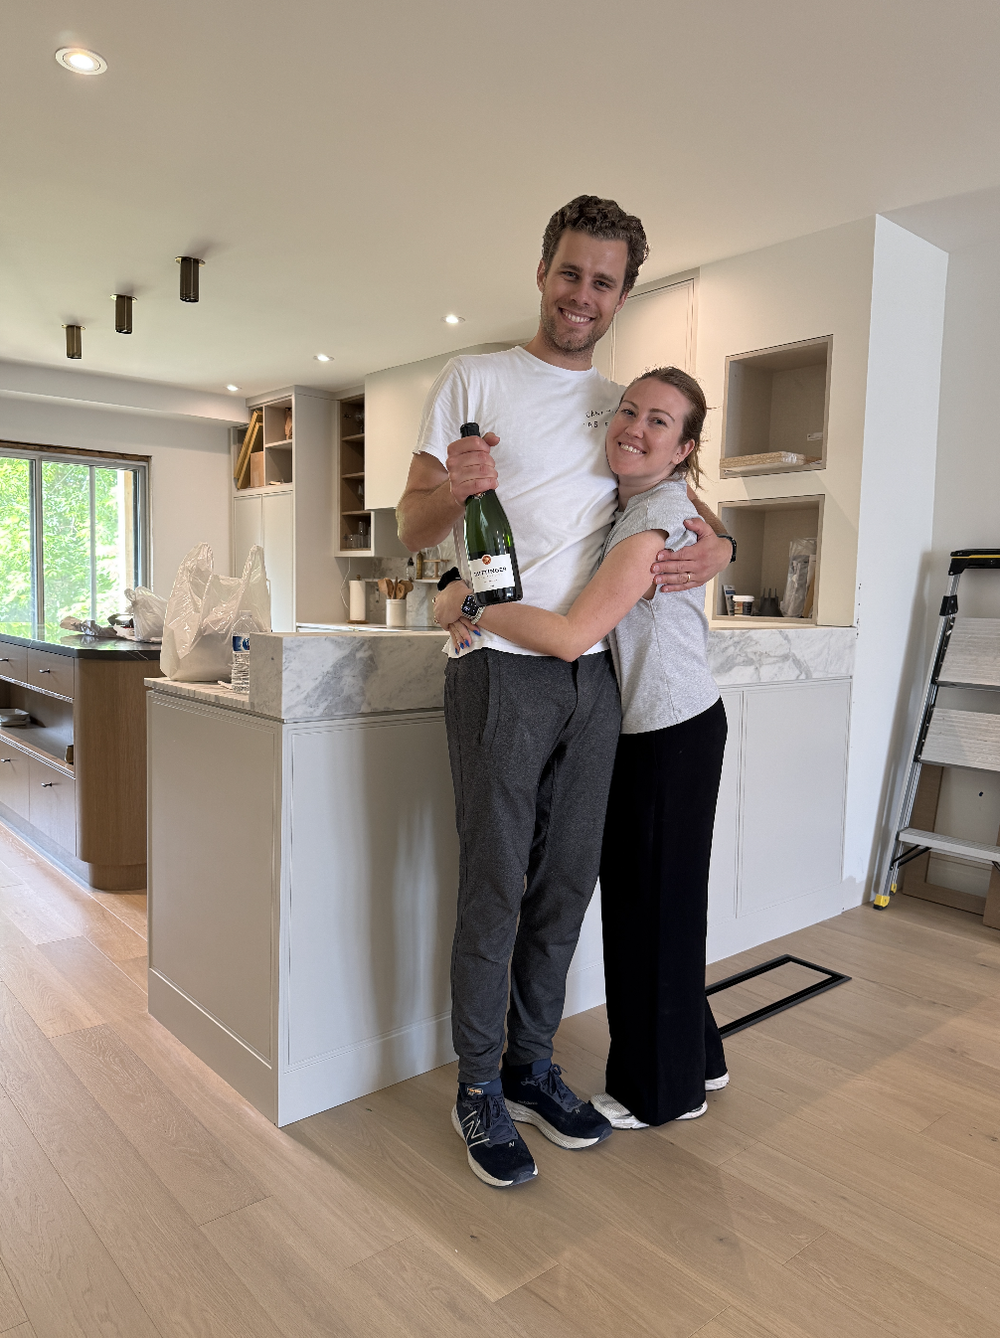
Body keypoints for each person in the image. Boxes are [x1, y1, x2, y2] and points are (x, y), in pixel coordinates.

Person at [396, 195, 733, 1188]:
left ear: (622, 296)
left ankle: (530, 1066)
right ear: (542, 271)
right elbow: (412, 529)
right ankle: (476, 1086)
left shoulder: (624, 405)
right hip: (498, 668)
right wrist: (453, 491)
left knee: (565, 887)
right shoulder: (473, 378)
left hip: (593, 677)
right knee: (496, 887)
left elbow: (691, 506)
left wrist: (721, 547)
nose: (582, 295)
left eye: (604, 282)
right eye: (570, 272)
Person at [435, 367, 729, 1131]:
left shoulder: (651, 513)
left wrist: (467, 601)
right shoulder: (628, 496)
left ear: (684, 447)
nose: (634, 426)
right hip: (630, 715)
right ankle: (693, 1058)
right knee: (643, 903)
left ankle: (659, 1089)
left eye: (659, 421)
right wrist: (449, 577)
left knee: (644, 908)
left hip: (664, 725)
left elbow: (571, 635)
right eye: (629, 411)